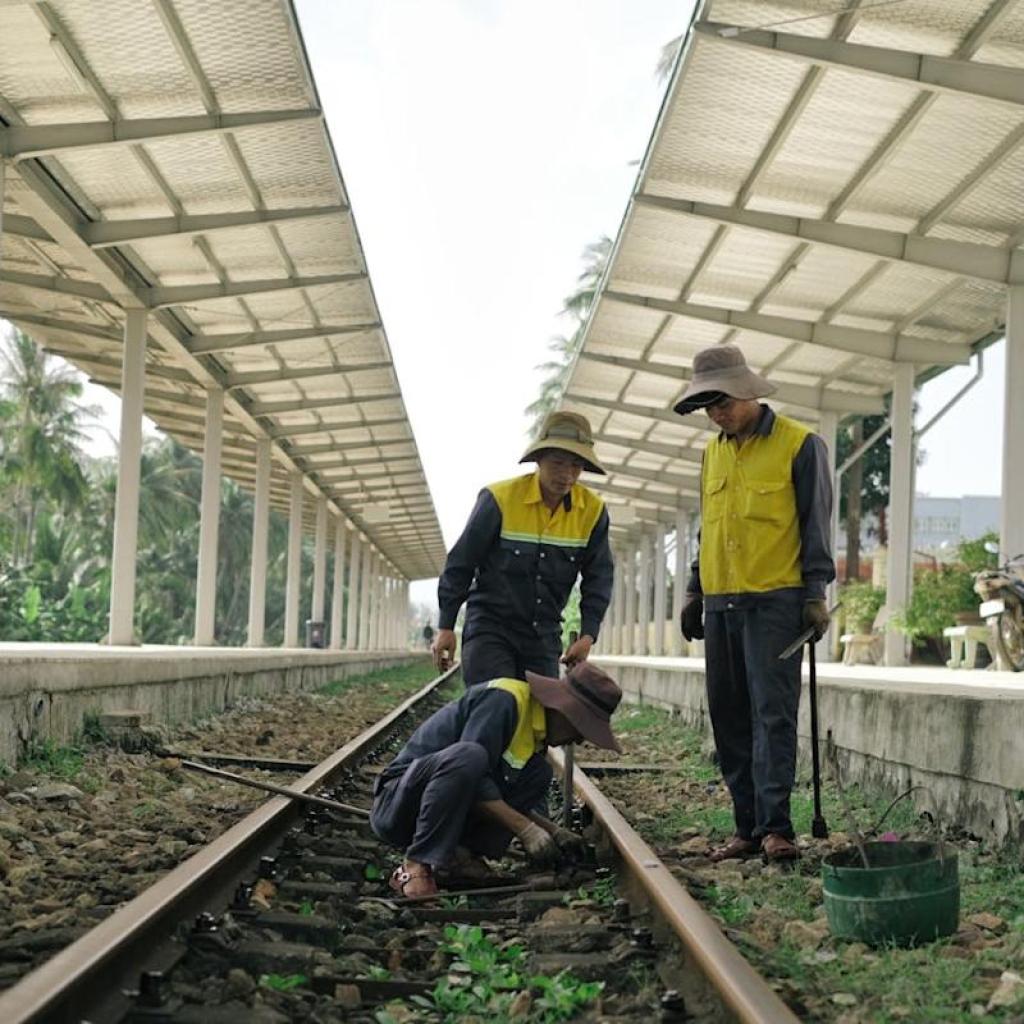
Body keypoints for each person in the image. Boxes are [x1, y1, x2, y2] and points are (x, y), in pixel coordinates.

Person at [675, 345, 835, 863]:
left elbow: (815, 523)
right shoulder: (712, 453)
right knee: (729, 716)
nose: (716, 412)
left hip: (776, 602)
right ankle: (746, 827)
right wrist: (696, 591)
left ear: (747, 390)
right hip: (722, 604)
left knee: (772, 716)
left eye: (721, 400)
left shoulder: (799, 445)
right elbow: (708, 528)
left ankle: (776, 828)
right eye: (707, 405)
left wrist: (815, 593)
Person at [370, 661, 623, 897]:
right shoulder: (504, 700)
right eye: (582, 729)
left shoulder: (534, 733)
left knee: (538, 773)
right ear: (564, 712)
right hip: (398, 805)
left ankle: (461, 857)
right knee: (470, 755)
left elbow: (492, 793)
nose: (578, 740)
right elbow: (470, 774)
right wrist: (526, 829)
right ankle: (415, 865)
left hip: (439, 810)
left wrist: (552, 830)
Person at [432, 411, 614, 685]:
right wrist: (446, 626)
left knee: (538, 718)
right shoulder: (499, 500)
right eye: (558, 463)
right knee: (492, 707)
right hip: (490, 631)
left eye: (576, 466)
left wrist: (588, 635)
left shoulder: (593, 511)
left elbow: (599, 578)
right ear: (538, 460)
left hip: (543, 638)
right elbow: (461, 563)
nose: (566, 475)